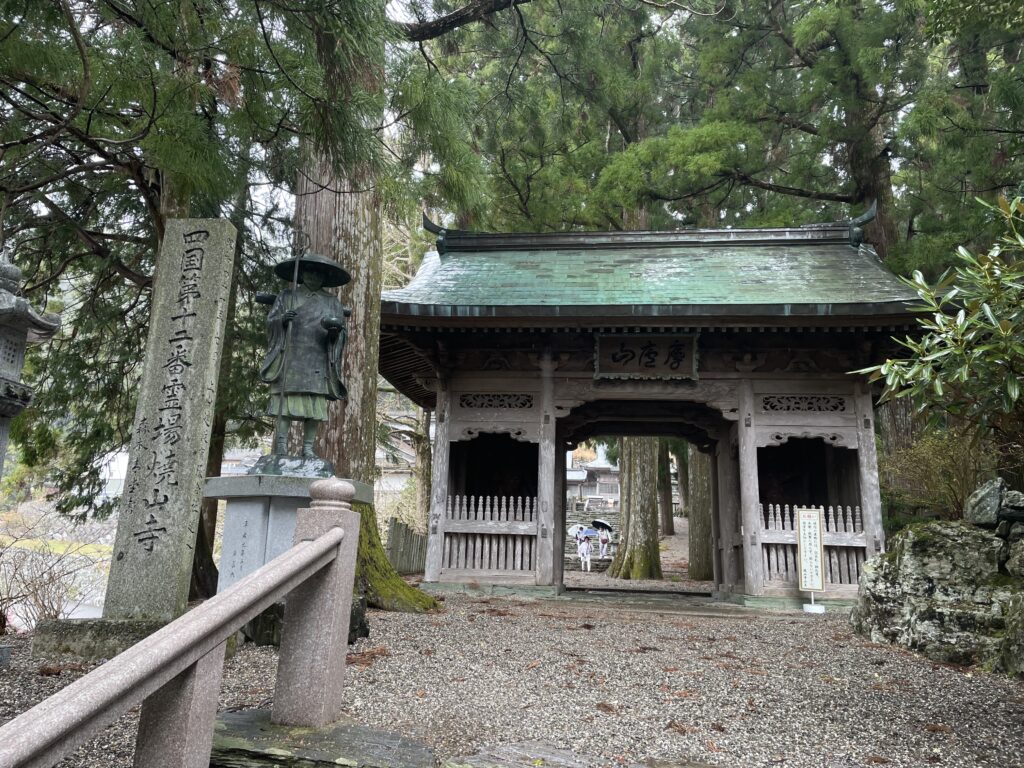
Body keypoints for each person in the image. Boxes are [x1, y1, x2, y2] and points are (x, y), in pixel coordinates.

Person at [260, 253, 350, 459]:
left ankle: (308, 447)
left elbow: (341, 331)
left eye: (318, 274)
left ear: (324, 277)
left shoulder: (332, 301)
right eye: (309, 272)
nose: (313, 277)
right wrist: (282, 320)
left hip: (317, 357)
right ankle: (281, 446)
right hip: (291, 356)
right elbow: (270, 322)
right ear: (301, 274)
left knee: (314, 405)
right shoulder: (287, 296)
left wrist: (335, 333)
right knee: (284, 404)